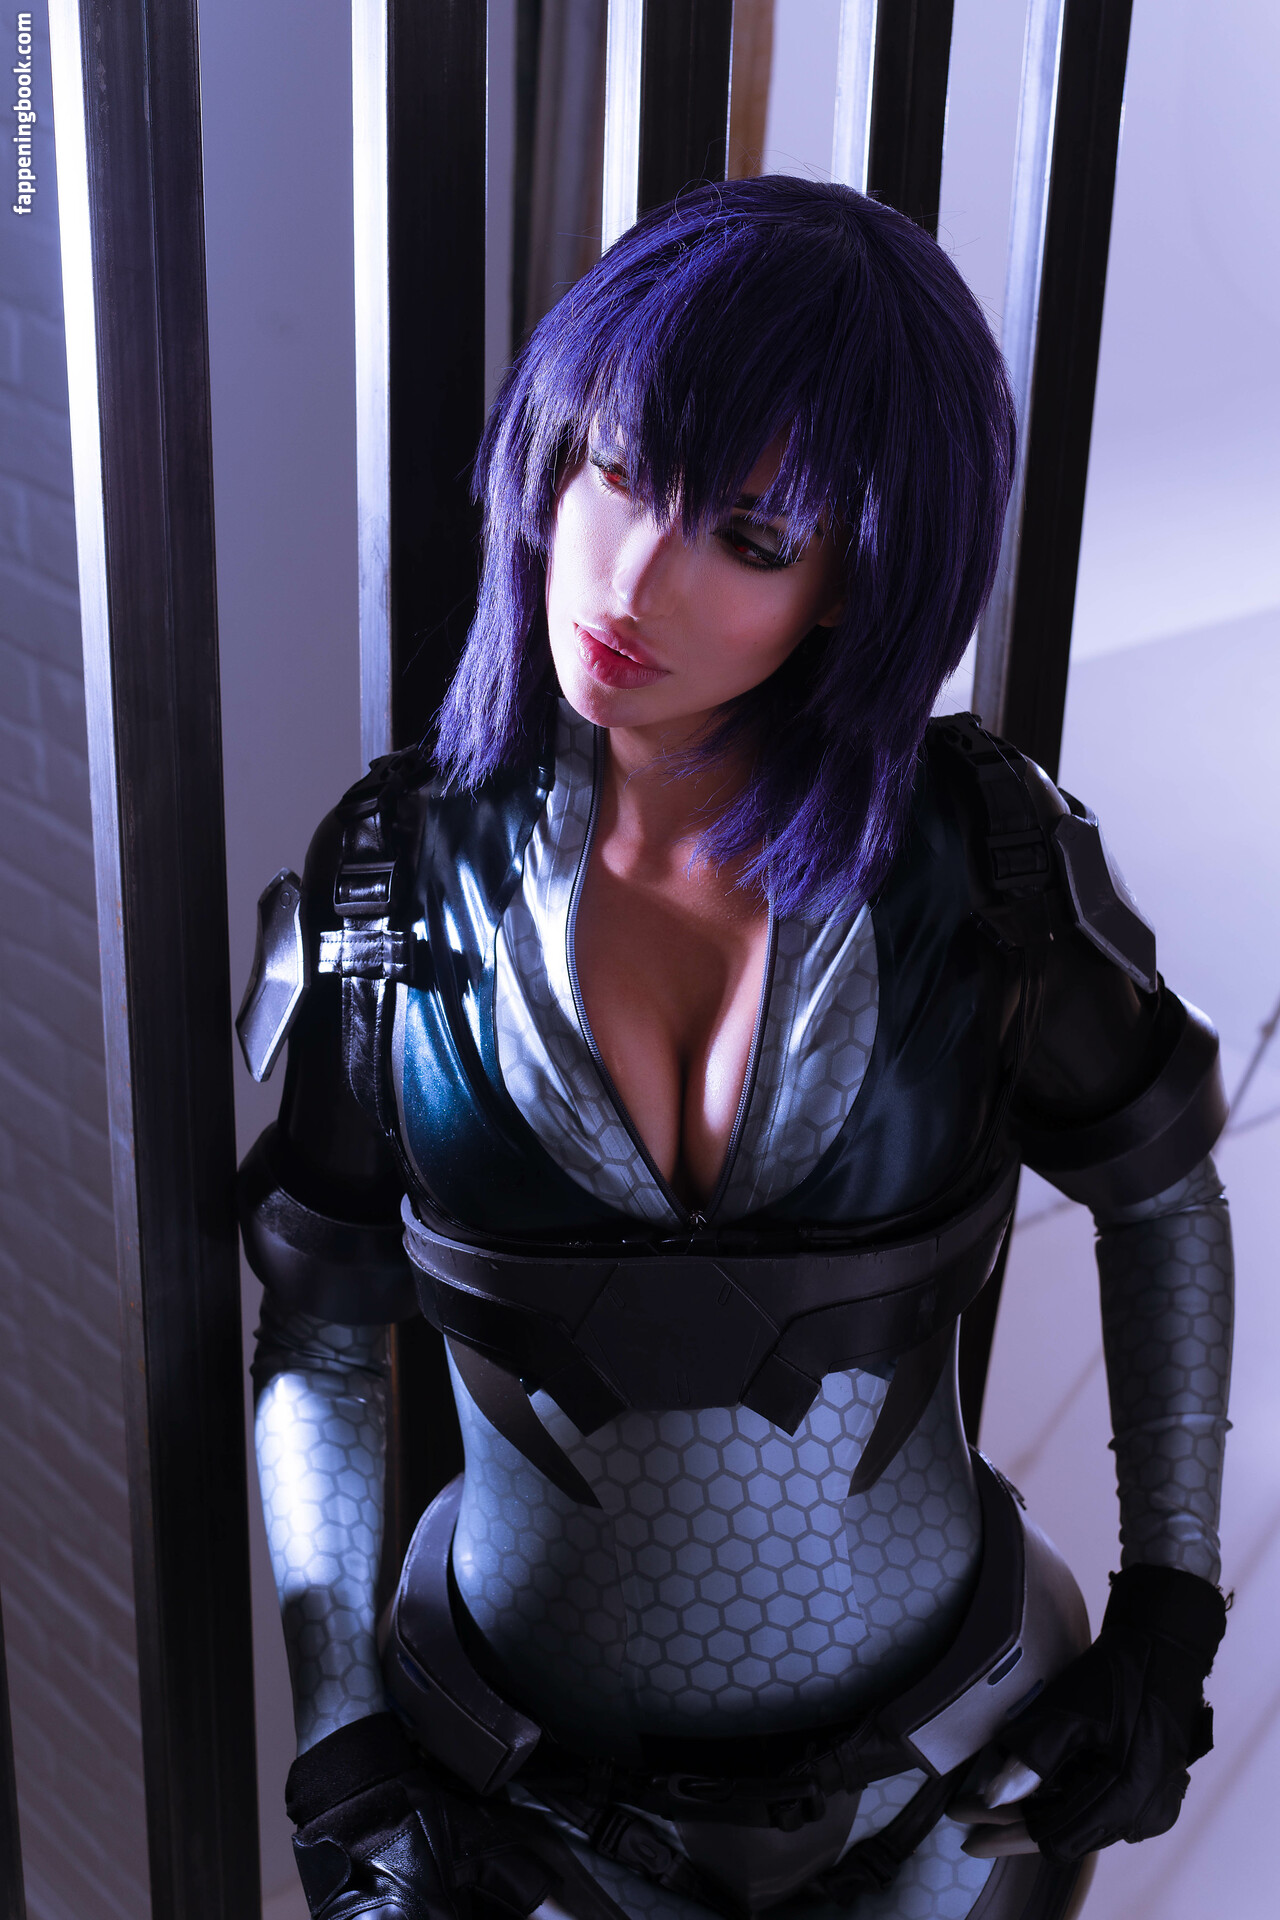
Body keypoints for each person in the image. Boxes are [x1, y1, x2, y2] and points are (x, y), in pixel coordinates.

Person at [238, 177, 1232, 1920]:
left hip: (951, 1782)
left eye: (751, 538)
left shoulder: (986, 868)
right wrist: (340, 1733)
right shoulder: (395, 885)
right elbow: (319, 1337)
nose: (630, 578)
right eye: (618, 468)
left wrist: (1169, 1609)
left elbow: (1162, 1197)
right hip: (506, 1800)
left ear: (855, 588)